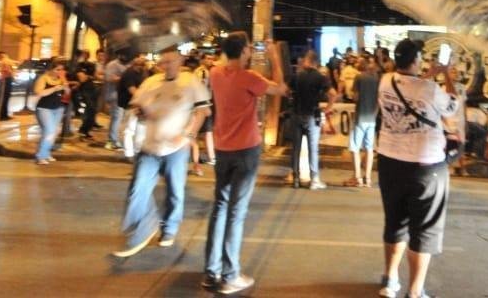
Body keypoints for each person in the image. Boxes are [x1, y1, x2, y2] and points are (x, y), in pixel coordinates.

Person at [202, 33, 289, 295]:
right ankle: (230, 274)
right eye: (249, 48)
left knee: (220, 207)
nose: (251, 51)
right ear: (242, 51)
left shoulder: (215, 73)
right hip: (245, 151)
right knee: (236, 213)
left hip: (222, 148)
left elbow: (225, 65)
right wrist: (274, 56)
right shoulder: (250, 78)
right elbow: (280, 88)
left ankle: (211, 270)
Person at [376, 39, 459, 298]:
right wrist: (445, 73)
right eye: (421, 57)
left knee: (395, 221)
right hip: (425, 166)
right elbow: (452, 107)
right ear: (415, 60)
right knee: (424, 229)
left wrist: (430, 74)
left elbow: (412, 85)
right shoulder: (431, 89)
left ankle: (390, 281)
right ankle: (415, 291)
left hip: (390, 161)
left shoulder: (386, 80)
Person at [112, 50, 211, 258]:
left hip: (176, 148)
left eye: (170, 61)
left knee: (175, 192)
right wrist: (141, 111)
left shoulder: (191, 82)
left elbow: (203, 112)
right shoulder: (151, 82)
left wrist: (188, 135)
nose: (166, 65)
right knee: (137, 190)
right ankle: (142, 229)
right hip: (150, 146)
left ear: (181, 60)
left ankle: (169, 230)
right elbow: (136, 104)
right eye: (163, 62)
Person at [290, 50, 337, 190]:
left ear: (306, 60)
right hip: (312, 114)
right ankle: (314, 179)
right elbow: (333, 94)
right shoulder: (320, 77)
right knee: (313, 149)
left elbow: (286, 91)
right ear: (316, 62)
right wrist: (327, 108)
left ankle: (296, 179)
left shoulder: (296, 76)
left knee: (296, 149)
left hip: (296, 113)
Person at [347, 57, 379, 188]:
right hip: (371, 118)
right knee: (369, 149)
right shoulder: (377, 80)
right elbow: (379, 100)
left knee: (355, 148)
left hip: (360, 115)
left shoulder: (359, 78)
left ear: (363, 65)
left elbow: (355, 97)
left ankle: (358, 177)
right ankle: (368, 178)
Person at [32, 61, 68, 165]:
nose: (60, 72)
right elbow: (39, 92)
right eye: (57, 69)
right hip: (44, 108)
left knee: (54, 131)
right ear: (50, 69)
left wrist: (64, 81)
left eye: (62, 69)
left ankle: (46, 153)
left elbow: (67, 92)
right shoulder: (43, 78)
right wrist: (55, 88)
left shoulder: (60, 79)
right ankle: (40, 156)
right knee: (50, 131)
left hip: (58, 108)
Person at [119, 55, 149, 158]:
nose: (143, 67)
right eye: (141, 65)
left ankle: (137, 152)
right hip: (130, 105)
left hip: (140, 105)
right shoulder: (129, 74)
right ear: (135, 64)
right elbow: (132, 91)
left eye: (143, 64)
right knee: (129, 130)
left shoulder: (142, 73)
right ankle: (129, 154)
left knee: (140, 130)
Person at [103, 51, 128, 150]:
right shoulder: (112, 65)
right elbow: (109, 78)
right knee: (117, 117)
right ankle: (112, 141)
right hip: (114, 94)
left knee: (120, 118)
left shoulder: (127, 65)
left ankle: (115, 139)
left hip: (123, 95)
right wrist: (125, 78)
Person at [77, 50, 103, 139]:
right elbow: (82, 79)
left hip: (92, 89)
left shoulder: (91, 65)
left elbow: (95, 76)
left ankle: (85, 130)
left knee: (93, 110)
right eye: (83, 54)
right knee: (89, 109)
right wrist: (89, 76)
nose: (85, 56)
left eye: (86, 54)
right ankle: (83, 130)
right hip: (83, 90)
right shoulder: (78, 65)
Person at [0, 52, 15, 120]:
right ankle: (5, 115)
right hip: (8, 80)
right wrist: (13, 76)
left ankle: (1, 116)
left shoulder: (3, 61)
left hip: (5, 80)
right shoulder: (9, 61)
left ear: (0, 55)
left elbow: (7, 70)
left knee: (2, 99)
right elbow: (11, 70)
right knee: (6, 98)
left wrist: (0, 71)